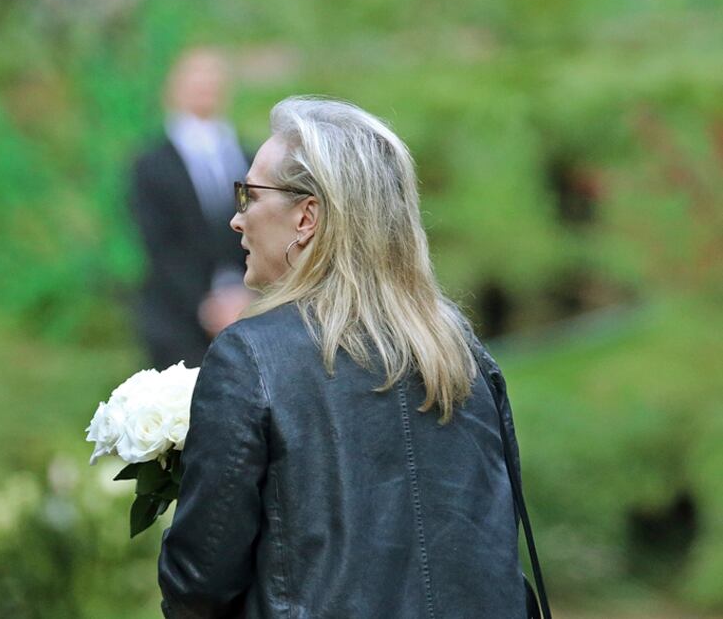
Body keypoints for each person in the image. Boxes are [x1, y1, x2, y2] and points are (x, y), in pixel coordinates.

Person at [158, 97, 530, 617]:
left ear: (307, 216)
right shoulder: (462, 353)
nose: (236, 220)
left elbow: (197, 584)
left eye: (248, 195)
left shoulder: (251, 359)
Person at [129, 48, 253, 370]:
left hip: (247, 309)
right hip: (179, 317)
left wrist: (245, 294)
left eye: (212, 84)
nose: (205, 92)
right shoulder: (151, 165)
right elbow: (160, 243)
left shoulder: (247, 158)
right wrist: (205, 304)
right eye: (196, 84)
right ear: (174, 90)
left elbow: (253, 220)